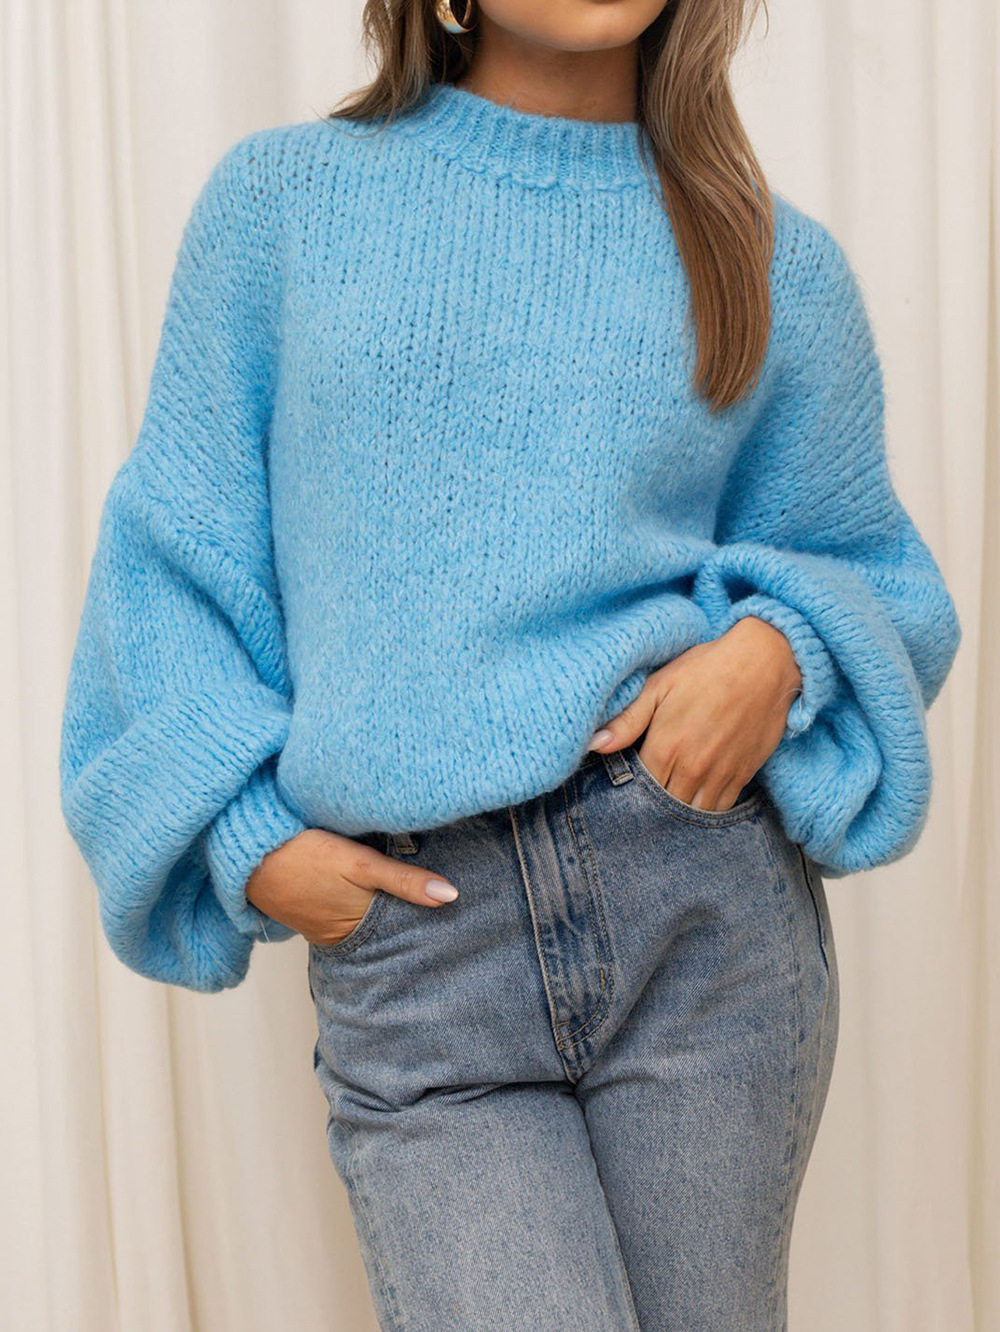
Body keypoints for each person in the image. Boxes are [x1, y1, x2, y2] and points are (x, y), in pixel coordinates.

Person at [59, 0, 962, 1327]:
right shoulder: (283, 208)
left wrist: (779, 648)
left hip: (702, 914)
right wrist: (251, 842)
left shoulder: (770, 256)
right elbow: (174, 562)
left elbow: (874, 570)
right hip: (418, 944)